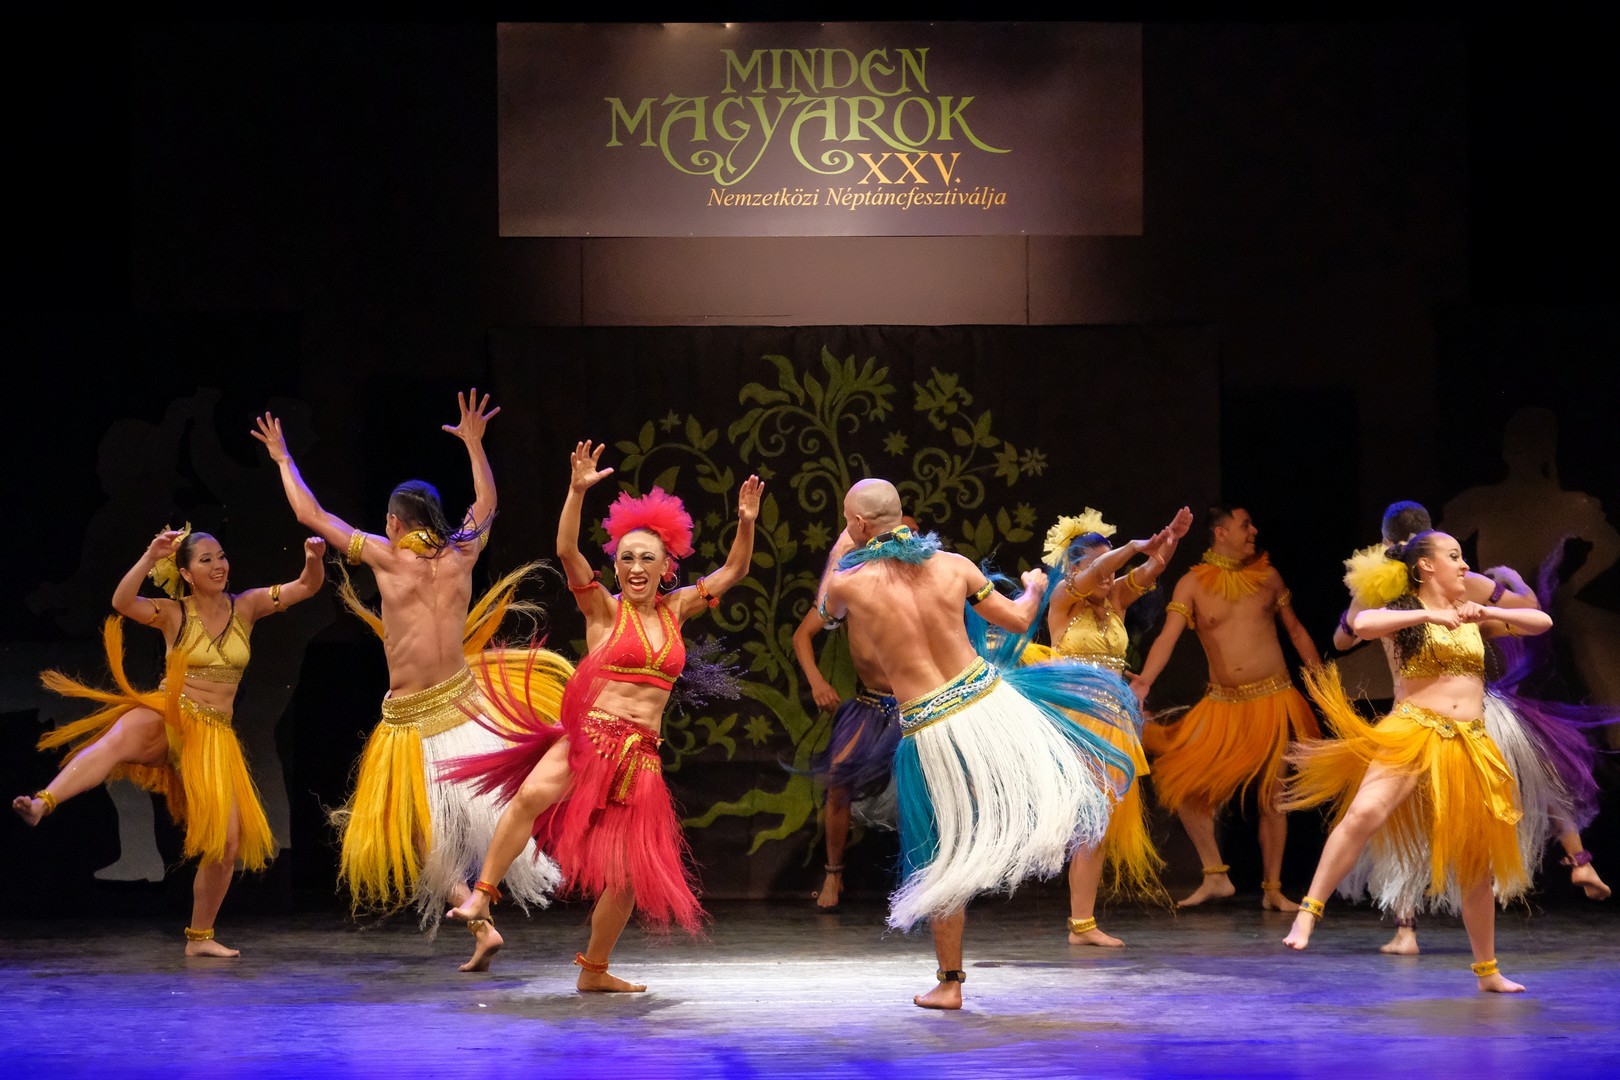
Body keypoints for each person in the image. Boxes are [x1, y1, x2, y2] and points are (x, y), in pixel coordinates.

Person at [253, 391, 568, 967]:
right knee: (486, 814)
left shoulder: (386, 554)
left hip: (412, 718)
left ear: (395, 522)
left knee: (418, 830)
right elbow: (487, 502)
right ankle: (481, 913)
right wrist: (475, 445)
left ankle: (475, 910)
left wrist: (283, 459)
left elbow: (312, 515)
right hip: (467, 707)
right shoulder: (462, 553)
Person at [442, 440, 762, 989]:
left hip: (641, 757)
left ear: (667, 567)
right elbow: (566, 548)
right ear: (615, 565)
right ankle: (482, 896)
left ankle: (595, 971)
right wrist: (576, 491)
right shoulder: (602, 609)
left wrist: (746, 522)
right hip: (592, 738)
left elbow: (735, 568)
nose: (636, 567)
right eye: (626, 558)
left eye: (647, 559)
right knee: (530, 797)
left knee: (628, 877)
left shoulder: (679, 608)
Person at [818, 478, 1136, 1009]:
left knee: (942, 854)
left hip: (933, 726)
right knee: (1048, 796)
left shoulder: (851, 582)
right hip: (991, 704)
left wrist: (840, 547)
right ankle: (1044, 846)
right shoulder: (955, 565)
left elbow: (826, 612)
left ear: (857, 524)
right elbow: (1020, 618)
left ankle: (951, 983)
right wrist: (1032, 586)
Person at [14, 525, 326, 956]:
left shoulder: (248, 606)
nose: (218, 565)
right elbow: (122, 602)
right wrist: (149, 556)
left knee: (227, 843)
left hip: (214, 736)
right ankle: (43, 803)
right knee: (116, 740)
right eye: (206, 560)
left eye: (221, 556)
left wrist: (313, 559)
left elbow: (307, 586)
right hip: (173, 714)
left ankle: (200, 938)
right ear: (186, 573)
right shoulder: (173, 613)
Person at [1281, 531, 1552, 993]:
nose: (1465, 566)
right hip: (1413, 729)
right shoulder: (1404, 613)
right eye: (1455, 557)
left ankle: (1487, 972)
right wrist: (1430, 614)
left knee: (1476, 862)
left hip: (1469, 742)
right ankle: (1308, 913)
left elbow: (1540, 621)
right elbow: (1363, 623)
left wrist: (1490, 612)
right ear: (1426, 566)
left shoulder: (1472, 614)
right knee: (1365, 812)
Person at [1334, 501, 1610, 955]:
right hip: (1477, 711)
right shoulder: (1464, 580)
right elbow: (1529, 611)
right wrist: (1512, 584)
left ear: (1386, 542)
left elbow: (1343, 638)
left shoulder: (1380, 586)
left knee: (1408, 820)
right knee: (1531, 780)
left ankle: (1406, 930)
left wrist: (1359, 611)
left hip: (1418, 717)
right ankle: (1579, 859)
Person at [1132, 506, 1322, 910]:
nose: (1254, 531)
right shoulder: (1192, 584)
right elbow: (1168, 637)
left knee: (1273, 799)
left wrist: (1322, 682)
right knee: (1183, 784)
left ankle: (1273, 890)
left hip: (1273, 700)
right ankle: (1215, 875)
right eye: (1244, 525)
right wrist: (1145, 680)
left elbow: (1295, 631)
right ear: (1220, 533)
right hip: (1222, 705)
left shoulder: (1268, 577)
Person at [1024, 505, 1190, 946]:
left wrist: (1168, 542)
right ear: (1074, 569)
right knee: (1087, 821)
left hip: (1112, 722)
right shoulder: (1063, 599)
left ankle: (1083, 924)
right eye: (1100, 566)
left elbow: (1152, 569)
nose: (1108, 575)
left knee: (1095, 825)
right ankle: (1080, 923)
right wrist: (1134, 545)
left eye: (1110, 565)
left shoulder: (1114, 599)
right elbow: (1104, 569)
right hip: (1075, 721)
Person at [790, 511, 919, 910]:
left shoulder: (926, 588)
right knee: (838, 782)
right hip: (870, 707)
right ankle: (833, 875)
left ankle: (925, 882)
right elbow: (803, 635)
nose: (904, 540)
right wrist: (817, 682)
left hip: (917, 706)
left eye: (912, 534)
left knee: (929, 791)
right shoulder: (852, 586)